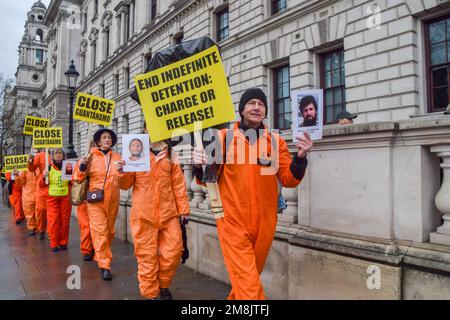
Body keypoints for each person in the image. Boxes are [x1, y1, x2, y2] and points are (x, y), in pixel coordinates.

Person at [193, 87, 313, 300]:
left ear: (265, 111)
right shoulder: (222, 138)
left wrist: (301, 157)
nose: (256, 107)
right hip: (232, 220)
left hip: (265, 222)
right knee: (249, 287)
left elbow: (290, 179)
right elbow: (206, 179)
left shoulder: (276, 142)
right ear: (241, 110)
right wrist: (199, 165)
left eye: (261, 104)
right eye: (251, 103)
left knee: (246, 280)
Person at [117, 130, 189, 300]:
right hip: (143, 213)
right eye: (149, 125)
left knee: (174, 251)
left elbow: (178, 184)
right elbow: (125, 184)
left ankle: (163, 284)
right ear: (145, 130)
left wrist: (184, 209)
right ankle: (151, 293)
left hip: (169, 213)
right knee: (146, 255)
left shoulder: (171, 153)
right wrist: (122, 171)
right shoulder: (136, 150)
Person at [74, 128, 121, 281]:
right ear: (99, 141)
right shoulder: (91, 156)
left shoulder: (118, 157)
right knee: (100, 231)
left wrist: (124, 170)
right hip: (95, 201)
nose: (107, 140)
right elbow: (78, 178)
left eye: (109, 137)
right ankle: (105, 265)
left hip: (113, 201)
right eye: (104, 137)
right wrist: (82, 167)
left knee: (109, 232)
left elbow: (124, 179)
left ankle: (100, 253)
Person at [41, 149, 72, 252]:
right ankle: (54, 243)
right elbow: (41, 185)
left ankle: (63, 242)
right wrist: (43, 177)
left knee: (64, 220)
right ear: (53, 156)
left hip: (65, 197)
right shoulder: (48, 168)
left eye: (60, 153)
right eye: (56, 153)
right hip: (52, 198)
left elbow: (71, 182)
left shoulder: (68, 166)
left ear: (63, 155)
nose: (58, 155)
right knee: (53, 221)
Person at [73, 140, 96, 262]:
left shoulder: (102, 162)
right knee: (85, 227)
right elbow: (76, 177)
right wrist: (83, 166)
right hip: (84, 200)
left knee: (97, 227)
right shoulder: (82, 161)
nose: (94, 149)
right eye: (92, 146)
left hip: (97, 199)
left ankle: (95, 248)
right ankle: (86, 250)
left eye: (96, 146)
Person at [28, 149, 52, 240]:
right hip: (42, 187)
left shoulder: (57, 153)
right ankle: (41, 229)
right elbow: (32, 168)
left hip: (54, 187)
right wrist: (30, 161)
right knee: (41, 210)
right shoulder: (40, 155)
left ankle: (51, 232)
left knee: (52, 212)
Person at [15, 155, 38, 235]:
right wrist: (17, 176)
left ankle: (40, 227)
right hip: (28, 194)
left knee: (39, 212)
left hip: (38, 193)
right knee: (29, 212)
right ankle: (32, 227)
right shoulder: (24, 168)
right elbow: (21, 182)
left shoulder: (40, 166)